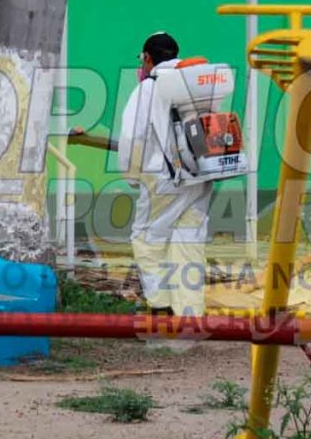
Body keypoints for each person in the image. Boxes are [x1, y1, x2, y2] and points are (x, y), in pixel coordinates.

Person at [69, 31, 211, 316]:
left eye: (141, 58)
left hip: (163, 179)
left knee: (146, 238)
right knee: (188, 239)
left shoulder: (148, 88)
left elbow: (134, 137)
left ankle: (161, 307)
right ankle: (190, 311)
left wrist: (133, 176)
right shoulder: (195, 82)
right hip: (201, 175)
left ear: (147, 57)